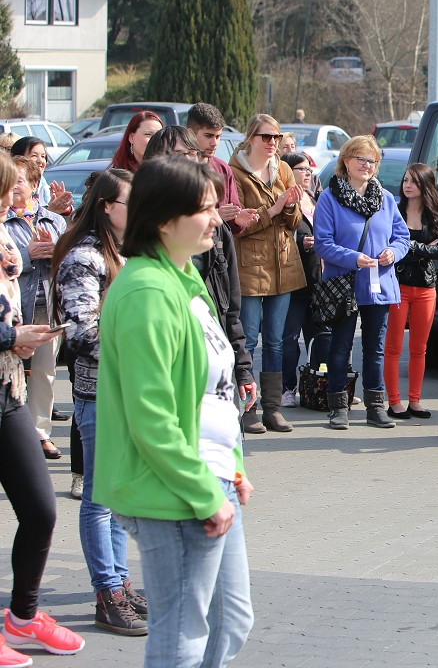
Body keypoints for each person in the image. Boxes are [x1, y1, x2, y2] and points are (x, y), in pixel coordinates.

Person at [95, 156, 254, 668]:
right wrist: (202, 490)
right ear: (164, 220)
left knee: (231, 619)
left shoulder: (184, 280)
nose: (216, 218)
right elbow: (152, 415)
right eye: (203, 208)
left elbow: (214, 390)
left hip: (209, 476)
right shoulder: (146, 290)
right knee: (183, 631)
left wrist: (233, 466)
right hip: (176, 489)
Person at [51, 168, 149, 636]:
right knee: (99, 496)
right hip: (98, 390)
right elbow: (80, 329)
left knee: (117, 493)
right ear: (107, 206)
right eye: (133, 201)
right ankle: (106, 592)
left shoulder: (129, 254)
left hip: (129, 388)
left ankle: (120, 580)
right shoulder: (84, 257)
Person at [0, 153, 85, 666]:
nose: (16, 197)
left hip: (6, 391)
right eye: (8, 189)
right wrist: (13, 336)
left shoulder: (4, 239)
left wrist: (21, 341)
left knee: (40, 508)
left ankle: (24, 615)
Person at [146, 127, 260, 431]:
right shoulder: (144, 275)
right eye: (180, 155)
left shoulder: (218, 235)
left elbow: (230, 310)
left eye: (193, 155)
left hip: (218, 398)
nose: (215, 218)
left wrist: (243, 371)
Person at [313, 135, 410, 430]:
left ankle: (375, 407)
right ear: (346, 161)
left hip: (378, 283)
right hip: (343, 283)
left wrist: (393, 252)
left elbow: (402, 237)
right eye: (361, 159)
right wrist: (354, 258)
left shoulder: (386, 199)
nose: (367, 165)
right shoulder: (329, 198)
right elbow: (322, 244)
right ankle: (338, 407)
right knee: (340, 347)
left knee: (375, 347)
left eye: (372, 161)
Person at [230, 114, 306, 433]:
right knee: (247, 339)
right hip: (250, 268)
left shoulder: (284, 169)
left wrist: (289, 209)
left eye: (276, 137)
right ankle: (248, 409)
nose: (272, 143)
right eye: (266, 137)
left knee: (276, 341)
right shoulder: (235, 173)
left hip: (283, 268)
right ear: (251, 138)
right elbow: (237, 226)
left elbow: (294, 222)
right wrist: (272, 210)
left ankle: (272, 408)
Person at [6, 156, 66, 459]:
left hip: (48, 302)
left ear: (34, 185)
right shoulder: (3, 221)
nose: (16, 187)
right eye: (10, 180)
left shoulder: (53, 220)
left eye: (22, 181)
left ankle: (40, 433)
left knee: (44, 370)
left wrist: (56, 252)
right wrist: (27, 256)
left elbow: (69, 261)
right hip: (15, 307)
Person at [384, 163, 438, 419]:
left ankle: (415, 400)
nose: (407, 185)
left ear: (425, 184)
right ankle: (394, 401)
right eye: (405, 180)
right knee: (392, 348)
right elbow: (390, 250)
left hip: (426, 287)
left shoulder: (435, 215)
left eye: (413, 180)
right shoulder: (394, 211)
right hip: (397, 286)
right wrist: (421, 248)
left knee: (419, 348)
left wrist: (409, 248)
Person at [280, 152, 329, 408]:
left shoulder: (316, 199)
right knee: (289, 339)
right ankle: (287, 388)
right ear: (287, 171)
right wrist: (301, 241)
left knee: (320, 337)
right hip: (293, 283)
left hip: (319, 282)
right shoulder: (284, 201)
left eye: (310, 168)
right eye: (301, 169)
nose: (308, 172)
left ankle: (319, 385)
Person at [187, 103, 258, 234]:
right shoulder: (176, 169)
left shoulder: (223, 169)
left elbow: (232, 222)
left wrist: (238, 219)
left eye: (218, 136)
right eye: (208, 136)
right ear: (191, 133)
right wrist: (213, 215)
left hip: (219, 249)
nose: (214, 143)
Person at [10, 137, 73, 216]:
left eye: (43, 156)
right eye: (34, 156)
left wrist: (65, 209)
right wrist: (50, 212)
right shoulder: (9, 192)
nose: (40, 161)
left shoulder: (47, 191)